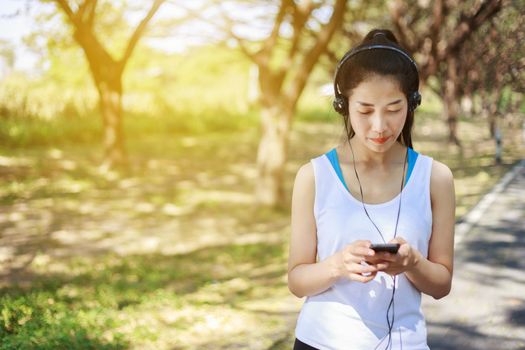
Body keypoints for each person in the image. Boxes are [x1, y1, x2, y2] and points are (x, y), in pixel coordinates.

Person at [287, 28, 456, 350]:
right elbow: (297, 281)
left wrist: (413, 263)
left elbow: (441, 285)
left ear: (412, 104)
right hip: (320, 342)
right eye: (364, 110)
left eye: (394, 109)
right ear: (343, 106)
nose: (379, 126)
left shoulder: (436, 178)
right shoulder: (313, 176)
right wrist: (337, 265)